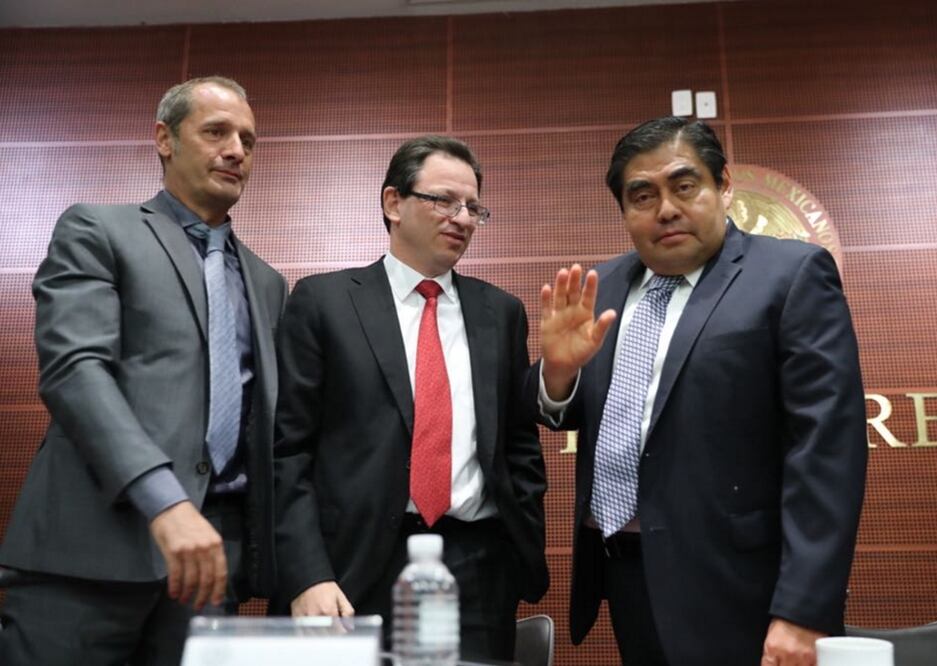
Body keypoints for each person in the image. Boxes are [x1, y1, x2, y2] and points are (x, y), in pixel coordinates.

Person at [529, 116, 867, 666]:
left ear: (724, 185)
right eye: (643, 195)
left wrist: (804, 609)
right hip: (625, 572)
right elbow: (551, 405)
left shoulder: (790, 274)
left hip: (740, 585)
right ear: (624, 211)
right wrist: (559, 373)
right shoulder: (603, 285)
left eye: (684, 186)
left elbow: (826, 450)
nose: (665, 208)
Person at [0, 76, 288, 666]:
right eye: (216, 132)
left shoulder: (268, 283)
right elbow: (75, 371)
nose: (236, 149)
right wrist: (167, 501)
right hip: (86, 562)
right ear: (164, 139)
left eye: (248, 141)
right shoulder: (98, 229)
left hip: (211, 573)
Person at [271, 135, 548, 662]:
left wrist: (516, 549)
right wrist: (308, 572)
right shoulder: (324, 302)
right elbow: (287, 452)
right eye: (443, 200)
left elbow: (518, 444)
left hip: (477, 567)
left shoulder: (501, 313)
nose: (462, 218)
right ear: (393, 203)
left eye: (473, 207)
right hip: (351, 568)